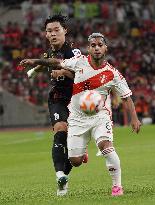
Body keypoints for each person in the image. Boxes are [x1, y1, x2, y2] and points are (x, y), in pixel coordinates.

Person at [21, 32, 141, 196]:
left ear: (105, 48)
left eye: (100, 45)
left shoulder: (113, 74)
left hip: (100, 117)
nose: (97, 48)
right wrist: (36, 61)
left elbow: (126, 97)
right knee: (74, 161)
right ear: (88, 48)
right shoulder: (79, 62)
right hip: (77, 119)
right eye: (93, 45)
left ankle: (117, 186)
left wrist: (134, 119)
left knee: (106, 146)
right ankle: (82, 153)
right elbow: (57, 62)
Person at [20, 14, 87, 196]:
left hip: (76, 101)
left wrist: (65, 71)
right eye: (49, 31)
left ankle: (65, 174)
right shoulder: (49, 52)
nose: (53, 34)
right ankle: (60, 177)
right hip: (57, 98)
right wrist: (34, 71)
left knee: (76, 158)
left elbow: (83, 77)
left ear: (65, 31)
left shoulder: (74, 53)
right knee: (60, 130)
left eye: (56, 30)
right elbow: (46, 62)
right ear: (46, 34)